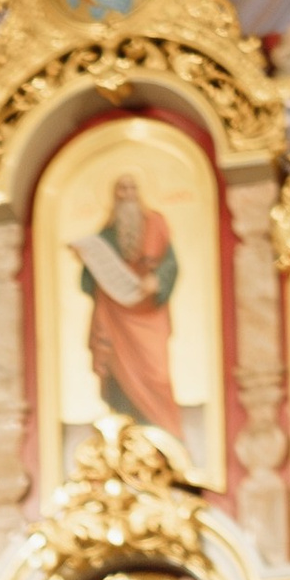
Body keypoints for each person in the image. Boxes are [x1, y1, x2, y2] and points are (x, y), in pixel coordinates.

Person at [74, 172, 182, 437]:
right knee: (116, 372)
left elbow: (171, 264)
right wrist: (86, 260)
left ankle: (164, 434)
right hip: (114, 315)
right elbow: (87, 284)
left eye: (132, 188)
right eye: (121, 189)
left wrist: (156, 280)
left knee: (154, 373)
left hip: (148, 314)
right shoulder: (107, 235)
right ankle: (122, 433)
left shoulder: (155, 224)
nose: (127, 194)